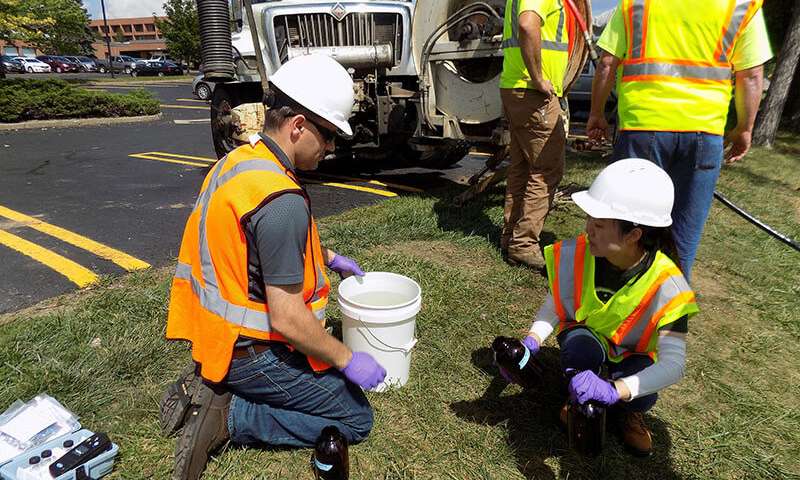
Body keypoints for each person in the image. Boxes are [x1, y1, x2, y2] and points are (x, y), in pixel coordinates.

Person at [159, 54, 387, 480]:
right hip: (252, 353)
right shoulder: (281, 201)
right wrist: (345, 358)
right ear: (298, 126)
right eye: (330, 136)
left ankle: (210, 383)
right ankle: (230, 417)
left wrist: (330, 259)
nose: (332, 149)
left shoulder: (240, 162)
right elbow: (286, 317)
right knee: (356, 419)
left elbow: (257, 249)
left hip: (214, 337)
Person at [498, 159, 699, 456]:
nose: (588, 229)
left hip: (635, 356)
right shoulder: (581, 253)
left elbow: (673, 364)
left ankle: (629, 410)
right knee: (579, 349)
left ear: (634, 234)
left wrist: (616, 390)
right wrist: (533, 339)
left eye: (600, 224)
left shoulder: (670, 287)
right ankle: (578, 397)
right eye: (590, 219)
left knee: (641, 394)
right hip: (589, 339)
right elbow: (557, 302)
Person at [587, 0, 773, 278]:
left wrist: (597, 113)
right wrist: (744, 128)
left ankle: (614, 296)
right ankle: (670, 312)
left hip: (643, 126)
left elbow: (606, 63)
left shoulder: (636, 4)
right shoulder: (740, 6)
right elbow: (752, 75)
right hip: (703, 133)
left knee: (625, 223)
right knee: (683, 234)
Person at [499, 0, 573, 269]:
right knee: (546, 169)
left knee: (521, 167)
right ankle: (524, 243)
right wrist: (539, 77)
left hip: (515, 87)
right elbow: (528, 25)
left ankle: (510, 237)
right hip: (533, 93)